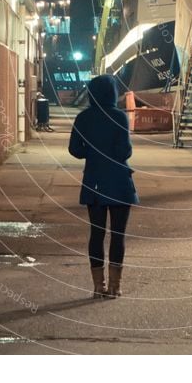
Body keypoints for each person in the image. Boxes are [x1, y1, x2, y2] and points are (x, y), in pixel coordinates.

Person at [68, 74, 138, 299]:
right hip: (119, 182)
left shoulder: (83, 118)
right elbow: (125, 152)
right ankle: (115, 287)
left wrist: (93, 152)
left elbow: (75, 150)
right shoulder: (119, 117)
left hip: (94, 182)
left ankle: (99, 286)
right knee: (118, 235)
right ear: (113, 92)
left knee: (96, 234)